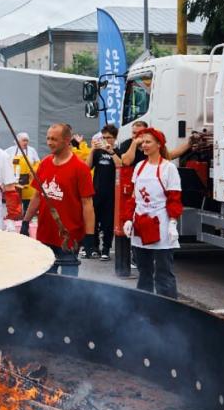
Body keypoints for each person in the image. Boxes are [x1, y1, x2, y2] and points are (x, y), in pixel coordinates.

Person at [20, 123, 96, 275]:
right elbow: (36, 196)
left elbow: (87, 204)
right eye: (48, 138)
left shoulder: (80, 168)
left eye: (54, 139)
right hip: (45, 235)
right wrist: (25, 221)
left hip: (69, 237)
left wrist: (90, 235)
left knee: (69, 284)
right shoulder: (45, 163)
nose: (49, 143)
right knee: (45, 280)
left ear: (67, 140)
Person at [121, 127, 182, 299]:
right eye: (143, 142)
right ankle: (143, 307)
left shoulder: (168, 168)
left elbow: (174, 198)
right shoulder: (139, 166)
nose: (144, 146)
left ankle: (169, 309)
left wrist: (172, 223)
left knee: (164, 271)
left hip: (161, 223)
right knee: (144, 270)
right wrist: (127, 219)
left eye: (148, 142)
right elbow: (133, 197)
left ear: (159, 144)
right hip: (140, 221)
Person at [85, 124, 118, 260]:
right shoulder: (98, 152)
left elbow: (121, 164)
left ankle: (106, 248)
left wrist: (112, 152)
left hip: (111, 193)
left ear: (115, 138)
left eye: (109, 138)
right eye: (104, 137)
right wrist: (92, 150)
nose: (106, 140)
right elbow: (86, 167)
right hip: (96, 191)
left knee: (108, 222)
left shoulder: (118, 151)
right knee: (94, 220)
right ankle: (94, 247)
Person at [6, 132, 40, 216]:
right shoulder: (10, 150)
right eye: (24, 140)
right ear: (17, 141)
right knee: (15, 198)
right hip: (14, 179)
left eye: (27, 141)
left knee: (27, 200)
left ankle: (27, 216)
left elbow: (38, 163)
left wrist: (33, 170)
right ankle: (15, 215)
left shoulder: (32, 150)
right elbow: (3, 161)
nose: (26, 143)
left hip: (28, 179)